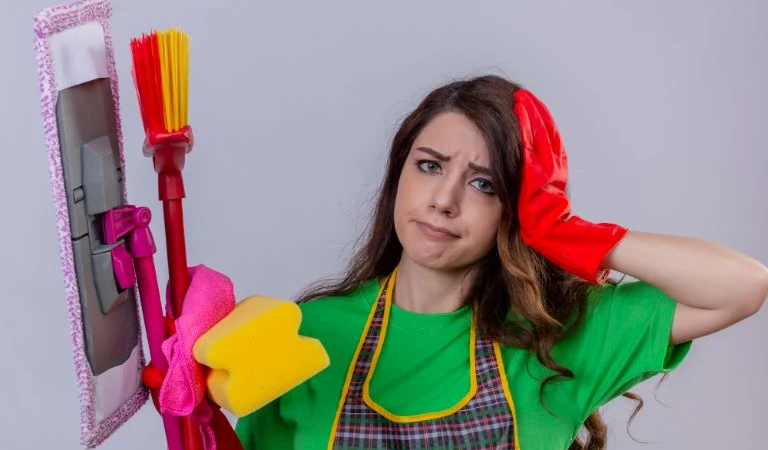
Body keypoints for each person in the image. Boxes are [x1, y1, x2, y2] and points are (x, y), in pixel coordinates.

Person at [233, 75, 767, 449]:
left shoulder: (558, 336)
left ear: (514, 209)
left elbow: (743, 286)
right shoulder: (307, 336)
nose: (444, 199)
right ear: (399, 175)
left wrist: (565, 230)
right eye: (429, 166)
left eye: (483, 183)